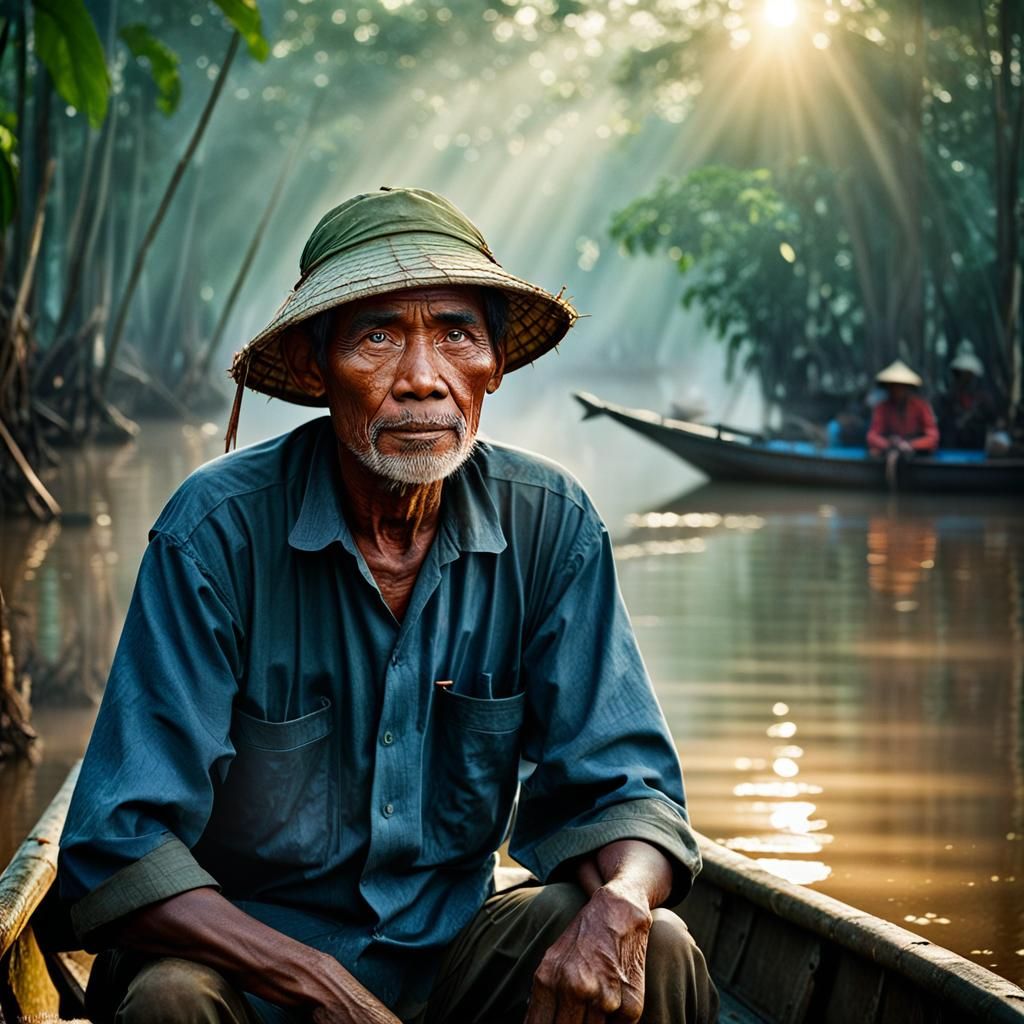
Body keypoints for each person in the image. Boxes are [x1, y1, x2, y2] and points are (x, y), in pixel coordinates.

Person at [57, 187, 718, 1024]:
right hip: (250, 975)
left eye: (456, 335)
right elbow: (118, 847)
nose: (421, 380)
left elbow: (625, 789)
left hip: (454, 966)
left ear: (494, 364)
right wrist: (319, 984)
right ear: (316, 368)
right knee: (171, 1000)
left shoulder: (550, 523)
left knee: (659, 946)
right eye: (377, 336)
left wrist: (622, 898)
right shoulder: (216, 532)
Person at [865, 360, 939, 457]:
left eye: (900, 386)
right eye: (893, 386)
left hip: (917, 455)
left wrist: (911, 445)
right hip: (890, 451)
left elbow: (933, 437)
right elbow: (872, 436)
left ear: (907, 387)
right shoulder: (882, 407)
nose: (896, 390)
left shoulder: (920, 406)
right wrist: (889, 444)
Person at [934, 343, 996, 451]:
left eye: (969, 376)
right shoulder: (947, 398)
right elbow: (941, 421)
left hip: (977, 447)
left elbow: (991, 421)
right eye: (963, 375)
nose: (966, 380)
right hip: (950, 448)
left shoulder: (983, 399)